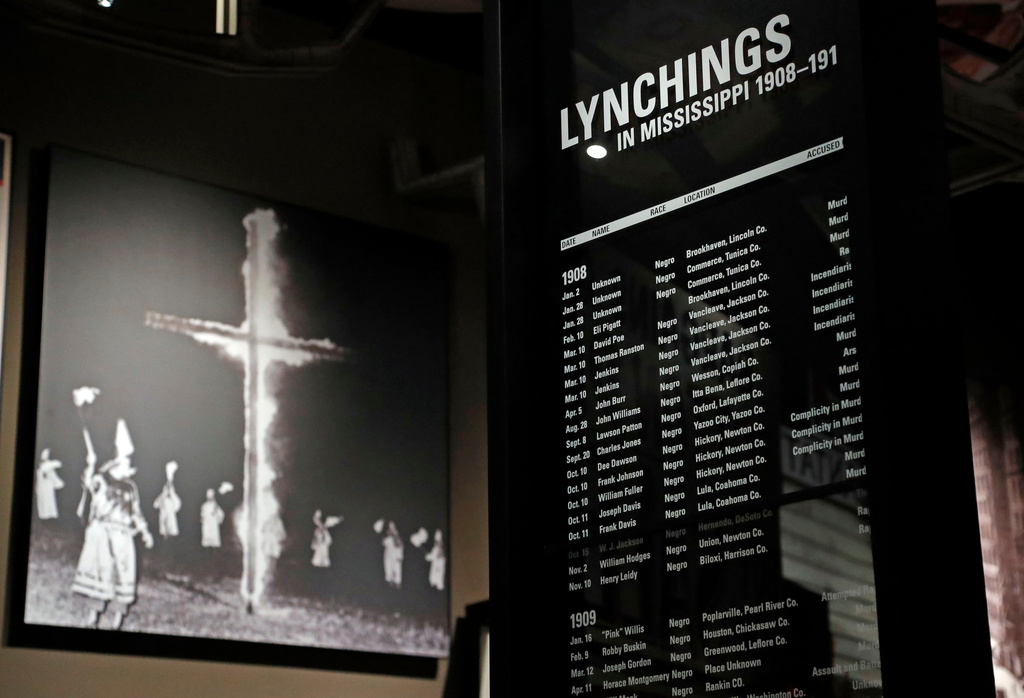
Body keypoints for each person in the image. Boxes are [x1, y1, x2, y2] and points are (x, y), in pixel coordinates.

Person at [72, 423, 153, 630]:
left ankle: (117, 622)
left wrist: (144, 531)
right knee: (102, 575)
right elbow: (88, 484)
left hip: (124, 536)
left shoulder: (130, 487)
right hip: (102, 535)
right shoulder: (102, 480)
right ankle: (92, 619)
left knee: (124, 576)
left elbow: (136, 511)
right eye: (125, 462)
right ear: (116, 463)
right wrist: (90, 465)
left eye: (129, 463)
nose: (129, 466)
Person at [153, 462, 182, 539]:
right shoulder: (162, 498)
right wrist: (163, 494)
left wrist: (171, 492)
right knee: (164, 537)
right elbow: (155, 505)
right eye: (166, 488)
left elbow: (178, 506)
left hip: (171, 520)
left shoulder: (173, 498)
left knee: (171, 536)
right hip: (163, 519)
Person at [35, 448, 64, 520]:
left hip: (48, 486)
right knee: (42, 501)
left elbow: (58, 464)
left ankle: (50, 516)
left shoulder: (49, 465)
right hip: (42, 486)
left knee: (49, 500)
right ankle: (44, 516)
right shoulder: (40, 467)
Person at [382, 521, 404, 588]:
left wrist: (400, 556)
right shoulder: (388, 539)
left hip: (396, 555)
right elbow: (383, 542)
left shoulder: (397, 538)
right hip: (389, 555)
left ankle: (397, 583)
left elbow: (400, 546)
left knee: (397, 569)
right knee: (388, 568)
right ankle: (390, 583)